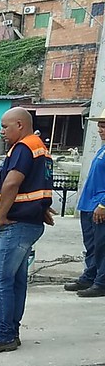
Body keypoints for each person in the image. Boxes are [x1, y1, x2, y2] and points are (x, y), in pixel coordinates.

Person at [0, 107, 56, 355]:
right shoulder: (39, 148)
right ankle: (10, 331)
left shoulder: (23, 148)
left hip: (13, 226)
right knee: (15, 282)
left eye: (5, 127)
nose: (2, 132)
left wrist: (0, 217)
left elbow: (11, 183)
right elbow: (38, 187)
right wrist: (39, 208)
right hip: (27, 224)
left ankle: (2, 335)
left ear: (20, 125)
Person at [63, 108, 105, 298]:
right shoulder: (102, 149)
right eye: (100, 125)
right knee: (92, 246)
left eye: (104, 126)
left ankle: (101, 282)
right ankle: (90, 276)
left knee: (102, 245)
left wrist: (103, 204)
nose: (100, 129)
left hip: (99, 206)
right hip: (89, 205)